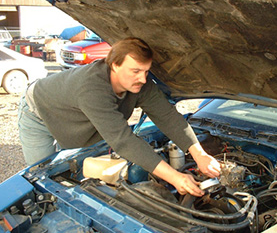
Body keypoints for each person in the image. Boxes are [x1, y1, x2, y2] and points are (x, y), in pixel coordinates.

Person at [18, 37, 221, 196]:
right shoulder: (91, 88)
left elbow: (167, 116)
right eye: (135, 71)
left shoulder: (140, 82)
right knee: (45, 179)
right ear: (114, 64)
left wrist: (199, 154)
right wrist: (175, 177)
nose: (142, 78)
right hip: (40, 113)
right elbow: (123, 140)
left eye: (146, 71)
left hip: (75, 112)